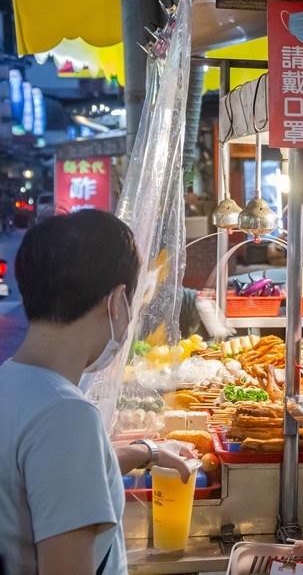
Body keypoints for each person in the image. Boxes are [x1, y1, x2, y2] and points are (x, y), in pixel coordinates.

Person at [0, 210, 196, 575]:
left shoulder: (14, 385)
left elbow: (55, 476)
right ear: (117, 301)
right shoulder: (66, 415)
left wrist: (147, 451)